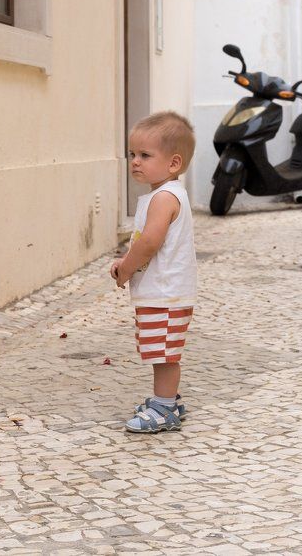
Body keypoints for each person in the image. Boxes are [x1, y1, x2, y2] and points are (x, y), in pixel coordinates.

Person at [110, 111, 197, 433]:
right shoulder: (162, 195)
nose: (135, 161)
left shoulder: (164, 198)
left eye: (145, 155)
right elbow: (143, 242)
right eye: (133, 154)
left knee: (163, 353)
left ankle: (164, 408)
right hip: (164, 290)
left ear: (173, 163)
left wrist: (126, 270)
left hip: (166, 292)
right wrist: (125, 260)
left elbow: (149, 243)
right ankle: (167, 400)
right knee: (160, 348)